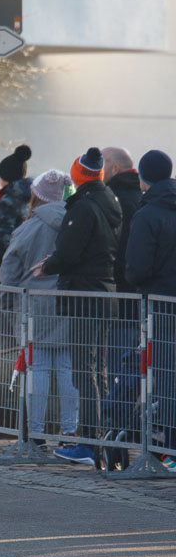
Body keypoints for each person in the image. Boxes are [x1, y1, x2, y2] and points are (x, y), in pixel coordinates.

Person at [32, 147, 122, 466]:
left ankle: (87, 444)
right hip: (104, 295)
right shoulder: (109, 200)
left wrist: (50, 265)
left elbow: (70, 251)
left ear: (79, 174)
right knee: (97, 371)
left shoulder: (84, 207)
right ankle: (95, 441)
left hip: (85, 297)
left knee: (86, 373)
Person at [0, 169, 79, 447]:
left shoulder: (26, 228)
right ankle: (71, 433)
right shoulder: (75, 224)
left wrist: (7, 305)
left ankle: (35, 433)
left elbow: (8, 272)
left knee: (39, 369)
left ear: (36, 197)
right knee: (68, 368)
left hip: (34, 308)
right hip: (71, 305)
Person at [125, 149, 176, 470]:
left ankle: (170, 447)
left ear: (142, 176)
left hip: (158, 303)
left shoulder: (146, 215)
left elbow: (137, 269)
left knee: (165, 375)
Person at [102, 146, 143, 389]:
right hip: (140, 297)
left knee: (117, 363)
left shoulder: (112, 201)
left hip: (117, 294)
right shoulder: (142, 197)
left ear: (114, 167)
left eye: (103, 165)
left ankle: (116, 417)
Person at [0, 144, 32, 284]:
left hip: (7, 266)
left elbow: (3, 237)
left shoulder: (8, 201)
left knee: (4, 304)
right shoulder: (32, 196)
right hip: (27, 263)